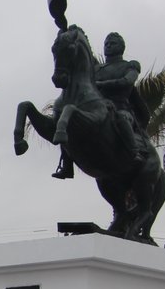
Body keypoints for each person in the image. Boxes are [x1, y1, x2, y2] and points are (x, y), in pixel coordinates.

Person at [51, 31, 147, 180]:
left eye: (112, 43)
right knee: (70, 124)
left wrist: (101, 84)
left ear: (121, 47)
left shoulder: (129, 66)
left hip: (120, 107)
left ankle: (134, 153)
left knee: (121, 118)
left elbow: (127, 82)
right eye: (106, 44)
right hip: (97, 106)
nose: (108, 46)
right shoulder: (96, 69)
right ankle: (67, 164)